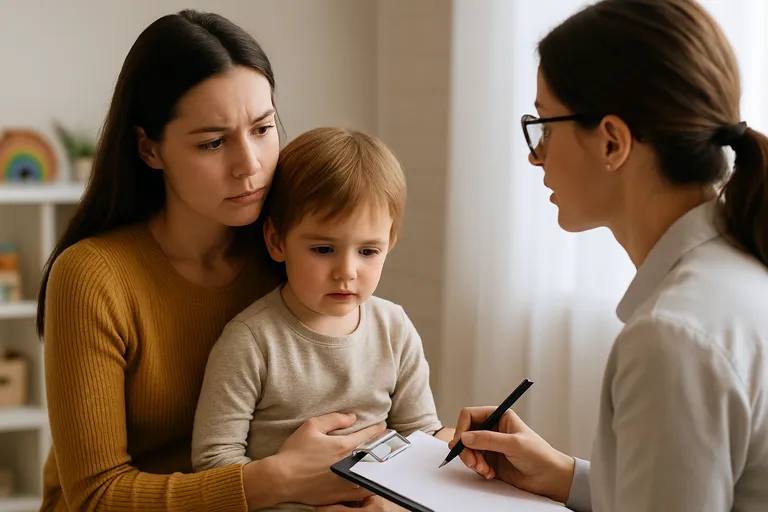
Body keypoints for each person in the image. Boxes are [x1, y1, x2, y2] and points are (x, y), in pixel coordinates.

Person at [38, 10, 388, 511]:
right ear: (149, 149)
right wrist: (276, 481)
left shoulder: (290, 249)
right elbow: (96, 496)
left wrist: (384, 495)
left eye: (263, 129)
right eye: (213, 142)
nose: (249, 165)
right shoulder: (93, 277)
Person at [449, 0, 768, 511]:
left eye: (546, 128)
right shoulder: (739, 275)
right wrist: (562, 475)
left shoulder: (673, 337)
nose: (536, 156)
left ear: (613, 143)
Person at [191, 127, 452, 511]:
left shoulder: (394, 328)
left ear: (389, 243)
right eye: (324, 248)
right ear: (277, 242)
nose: (346, 271)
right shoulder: (251, 340)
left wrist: (456, 444)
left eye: (368, 251)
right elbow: (214, 466)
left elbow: (420, 436)